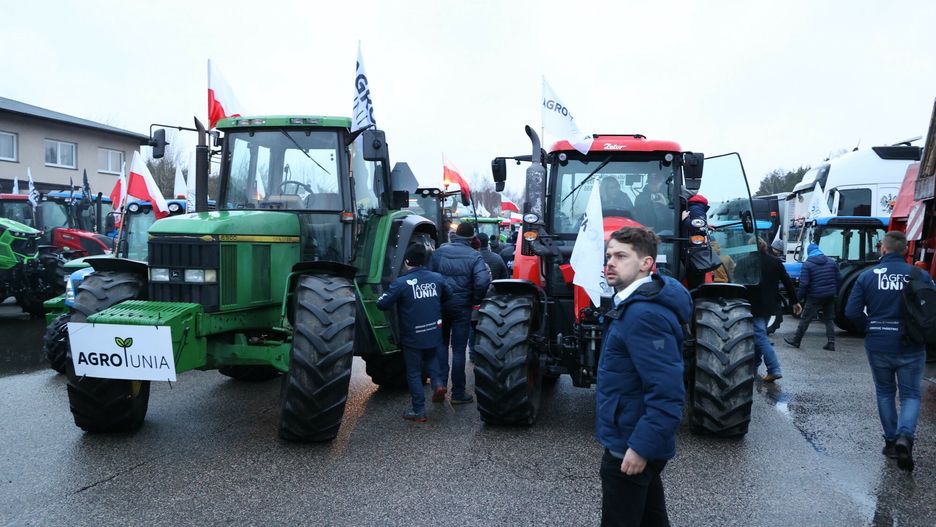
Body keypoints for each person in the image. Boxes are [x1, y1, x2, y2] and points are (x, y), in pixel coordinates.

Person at [597, 226, 690, 526]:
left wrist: (639, 448)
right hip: (634, 439)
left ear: (646, 263)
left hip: (630, 445)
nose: (610, 262)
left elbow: (667, 392)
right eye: (609, 255)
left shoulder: (644, 315)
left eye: (621, 256)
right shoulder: (633, 306)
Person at [845, 231, 934, 471]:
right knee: (911, 395)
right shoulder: (921, 275)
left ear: (883, 249)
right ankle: (906, 436)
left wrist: (871, 328)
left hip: (878, 343)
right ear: (905, 250)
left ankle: (891, 442)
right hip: (911, 344)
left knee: (885, 392)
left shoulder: (866, 276)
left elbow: (852, 313)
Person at [376, 244, 452, 422]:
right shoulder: (437, 278)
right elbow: (449, 295)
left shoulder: (402, 283)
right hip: (433, 329)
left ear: (407, 261)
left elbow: (382, 304)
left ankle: (418, 410)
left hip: (413, 334)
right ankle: (438, 384)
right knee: (432, 357)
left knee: (413, 372)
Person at [428, 221, 491, 404]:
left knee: (440, 345)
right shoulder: (475, 256)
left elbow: (429, 276)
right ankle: (457, 393)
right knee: (458, 350)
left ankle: (439, 384)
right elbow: (482, 282)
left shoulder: (439, 252)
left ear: (455, 235)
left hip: (440, 306)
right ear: (472, 238)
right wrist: (475, 300)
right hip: (462, 308)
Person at [746, 238, 801, 382]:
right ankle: (753, 368)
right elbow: (787, 282)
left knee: (760, 337)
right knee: (760, 335)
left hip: (752, 305)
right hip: (770, 306)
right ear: (765, 247)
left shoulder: (745, 262)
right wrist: (795, 301)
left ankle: (774, 368)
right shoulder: (776, 262)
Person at [784, 243, 842, 350]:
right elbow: (839, 278)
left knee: (805, 318)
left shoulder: (807, 264)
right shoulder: (831, 262)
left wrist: (797, 299)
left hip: (815, 296)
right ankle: (831, 343)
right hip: (830, 295)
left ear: (809, 252)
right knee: (829, 319)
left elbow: (804, 284)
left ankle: (796, 340)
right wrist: (835, 292)